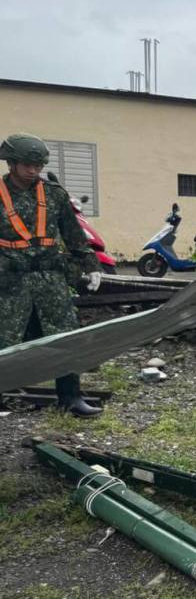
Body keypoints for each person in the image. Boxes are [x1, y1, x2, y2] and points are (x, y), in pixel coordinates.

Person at [0, 133, 103, 416]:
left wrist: (91, 265)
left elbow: (74, 235)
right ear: (11, 163)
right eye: (26, 165)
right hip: (10, 281)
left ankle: (71, 398)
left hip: (51, 279)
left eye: (37, 165)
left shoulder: (54, 194)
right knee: (4, 338)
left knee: (64, 337)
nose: (33, 170)